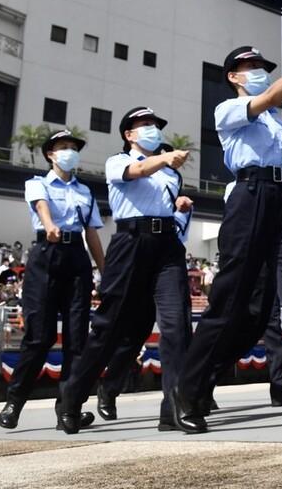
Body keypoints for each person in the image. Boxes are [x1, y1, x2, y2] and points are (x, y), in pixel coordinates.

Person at [170, 46, 282, 434]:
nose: (258, 71)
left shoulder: (279, 123)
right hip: (250, 200)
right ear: (233, 76)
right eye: (251, 67)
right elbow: (271, 98)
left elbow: (279, 166)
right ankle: (189, 389)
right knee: (233, 304)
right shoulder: (229, 110)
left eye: (263, 67)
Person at [56, 108, 194, 433]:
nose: (152, 130)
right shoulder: (117, 162)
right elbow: (138, 171)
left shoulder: (171, 174)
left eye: (156, 126)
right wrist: (164, 160)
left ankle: (174, 407)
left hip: (167, 245)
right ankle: (71, 401)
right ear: (129, 135)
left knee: (176, 326)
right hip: (131, 243)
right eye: (144, 125)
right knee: (108, 327)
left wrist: (179, 204)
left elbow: (160, 200)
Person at [0, 130, 105, 430]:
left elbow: (92, 233)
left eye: (73, 147)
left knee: (77, 340)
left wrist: (105, 272)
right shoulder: (37, 183)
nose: (69, 151)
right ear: (50, 154)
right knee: (39, 337)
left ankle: (69, 410)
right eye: (63, 147)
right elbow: (42, 206)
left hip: (76, 258)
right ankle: (14, 402)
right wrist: (50, 225)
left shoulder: (85, 192)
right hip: (47, 255)